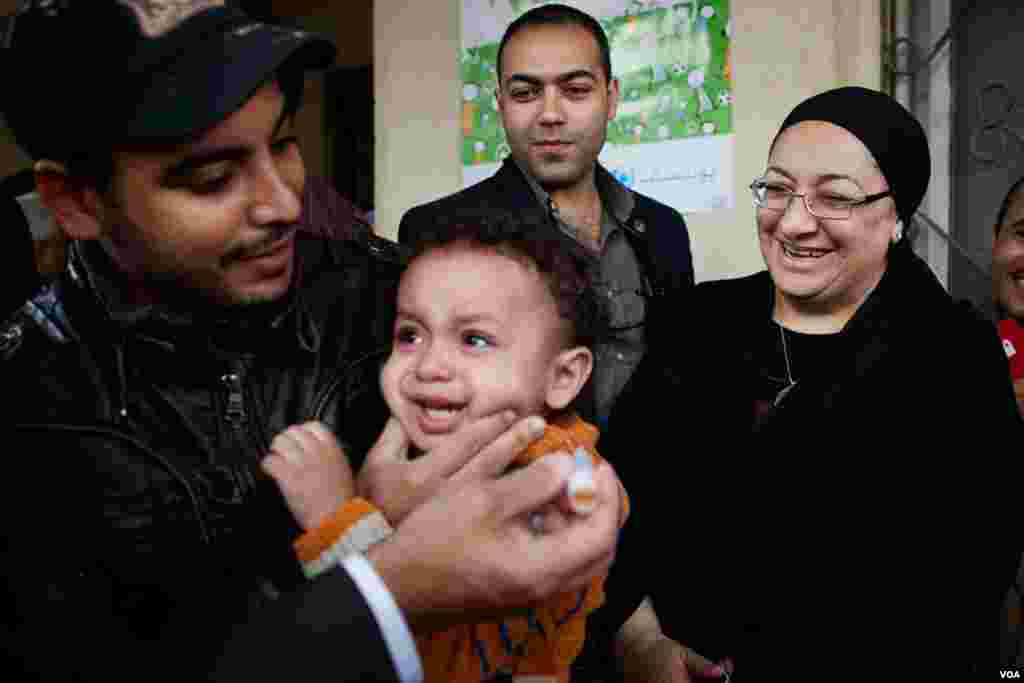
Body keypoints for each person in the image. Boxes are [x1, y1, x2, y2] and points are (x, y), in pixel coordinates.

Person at [0, 3, 624, 681]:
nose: (284, 204)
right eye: (214, 178)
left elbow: (560, 450)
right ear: (77, 201)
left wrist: (587, 499)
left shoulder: (392, 296)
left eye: (285, 143)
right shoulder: (27, 410)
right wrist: (381, 563)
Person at [605, 86, 1022, 679]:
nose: (795, 222)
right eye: (777, 189)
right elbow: (610, 491)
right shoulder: (698, 323)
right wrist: (638, 636)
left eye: (835, 198)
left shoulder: (951, 351)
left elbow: (972, 570)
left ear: (896, 216)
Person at [263, 214, 637, 682]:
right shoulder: (444, 445)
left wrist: (337, 518)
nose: (429, 365)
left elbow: (439, 662)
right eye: (410, 335)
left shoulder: (556, 491)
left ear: (562, 377)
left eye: (474, 339)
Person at [398, 3, 694, 432]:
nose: (550, 114)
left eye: (575, 90)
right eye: (525, 93)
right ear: (500, 104)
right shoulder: (441, 231)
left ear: (611, 99)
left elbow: (681, 381)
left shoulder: (664, 228)